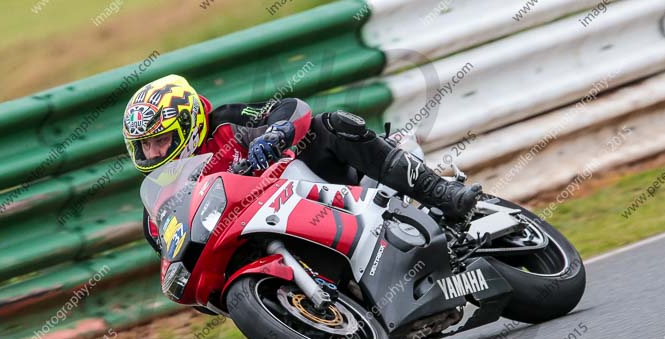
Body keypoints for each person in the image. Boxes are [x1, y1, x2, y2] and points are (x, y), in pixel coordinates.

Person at [123, 74, 480, 254]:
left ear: (186, 124)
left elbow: (290, 107)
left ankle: (441, 193)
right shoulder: (157, 210)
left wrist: (274, 135)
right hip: (262, 243)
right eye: (145, 146)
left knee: (329, 126)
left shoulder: (226, 123)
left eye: (160, 140)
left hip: (313, 192)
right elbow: (179, 261)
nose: (153, 154)